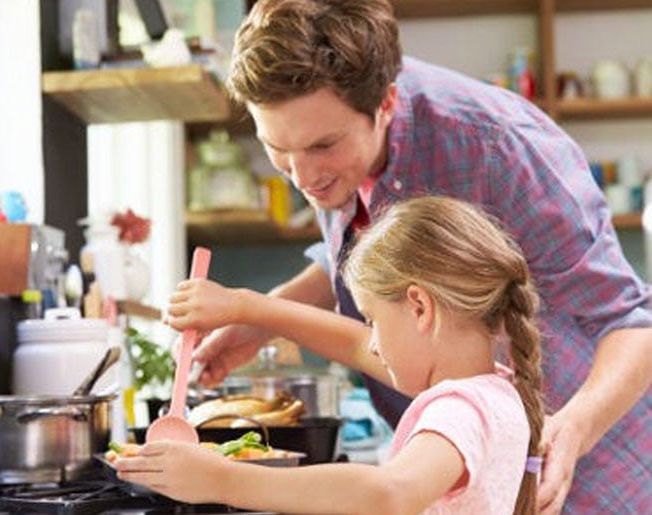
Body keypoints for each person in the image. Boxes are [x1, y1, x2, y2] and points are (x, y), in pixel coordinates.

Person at [184, 1, 652, 513]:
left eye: (323, 146)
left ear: (385, 103)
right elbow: (356, 253)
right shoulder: (324, 141)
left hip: (589, 465)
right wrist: (263, 317)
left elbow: (632, 321)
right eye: (278, 148)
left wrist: (575, 429)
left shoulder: (500, 146)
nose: (303, 177)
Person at [117, 196, 544, 514]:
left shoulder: (459, 410)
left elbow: (390, 493)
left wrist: (220, 479)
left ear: (419, 307)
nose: (372, 339)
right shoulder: (494, 391)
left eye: (373, 319)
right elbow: (354, 344)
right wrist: (246, 306)